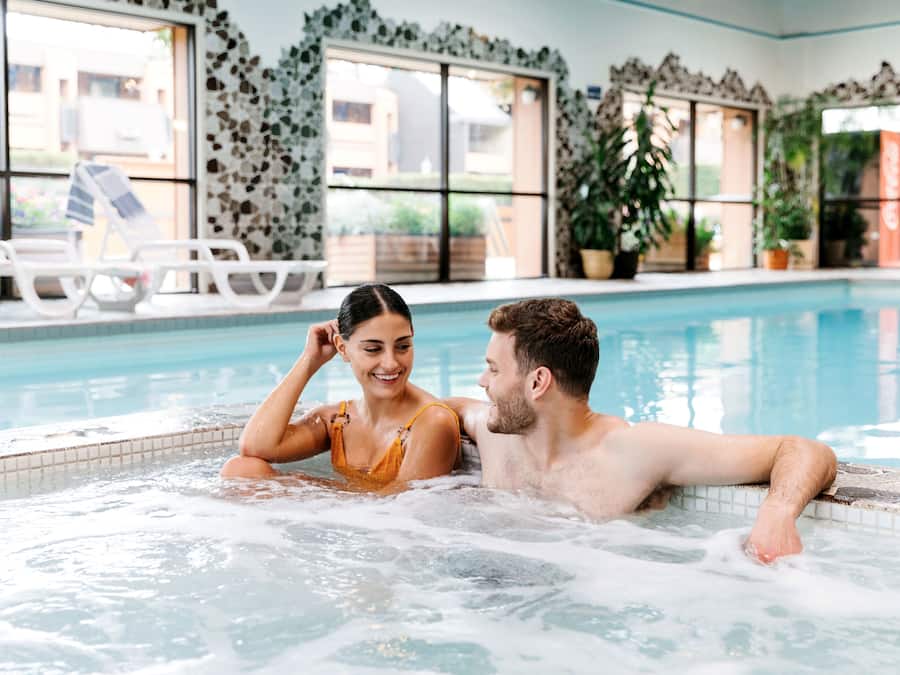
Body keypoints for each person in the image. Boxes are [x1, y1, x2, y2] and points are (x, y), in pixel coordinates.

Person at [447, 297, 837, 563]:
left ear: (538, 382)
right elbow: (436, 410)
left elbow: (803, 449)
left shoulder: (632, 452)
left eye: (494, 369)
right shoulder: (495, 433)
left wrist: (778, 512)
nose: (483, 381)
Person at [221, 283, 460, 491]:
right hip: (350, 525)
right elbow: (254, 446)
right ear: (342, 348)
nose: (391, 363)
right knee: (241, 470)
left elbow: (400, 513)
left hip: (391, 535)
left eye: (403, 346)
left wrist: (314, 491)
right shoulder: (338, 421)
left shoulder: (432, 423)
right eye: (373, 349)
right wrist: (309, 361)